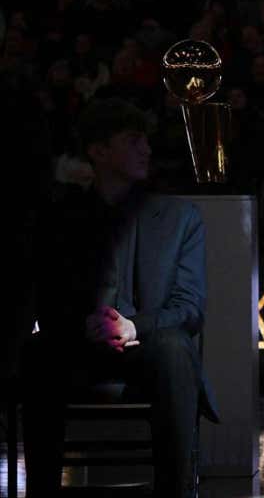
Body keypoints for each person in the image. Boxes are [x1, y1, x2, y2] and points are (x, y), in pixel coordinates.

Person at [24, 98, 217, 497]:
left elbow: (189, 308)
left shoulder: (181, 218)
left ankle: (174, 492)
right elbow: (46, 295)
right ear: (98, 151)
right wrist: (84, 324)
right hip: (80, 343)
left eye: (146, 139)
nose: (146, 149)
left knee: (174, 347)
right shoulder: (62, 215)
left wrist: (133, 326)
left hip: (148, 345)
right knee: (38, 350)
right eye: (133, 140)